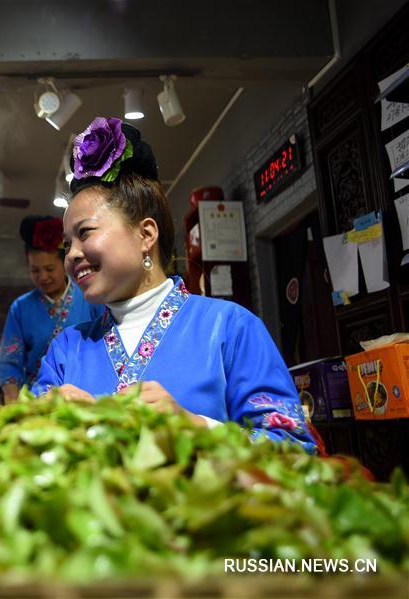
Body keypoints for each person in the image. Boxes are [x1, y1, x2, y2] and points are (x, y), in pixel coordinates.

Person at [32, 116, 316, 452]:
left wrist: (193, 427)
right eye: (67, 244)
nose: (72, 256)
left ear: (146, 234)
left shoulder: (230, 328)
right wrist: (48, 427)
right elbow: (20, 450)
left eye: (85, 233)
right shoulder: (65, 350)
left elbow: (295, 451)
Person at [0, 215, 101, 402]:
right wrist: (12, 403)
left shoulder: (90, 296)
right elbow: (10, 362)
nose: (43, 277)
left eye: (50, 269)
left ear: (64, 264)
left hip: (84, 397)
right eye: (35, 270)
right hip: (37, 400)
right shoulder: (21, 308)